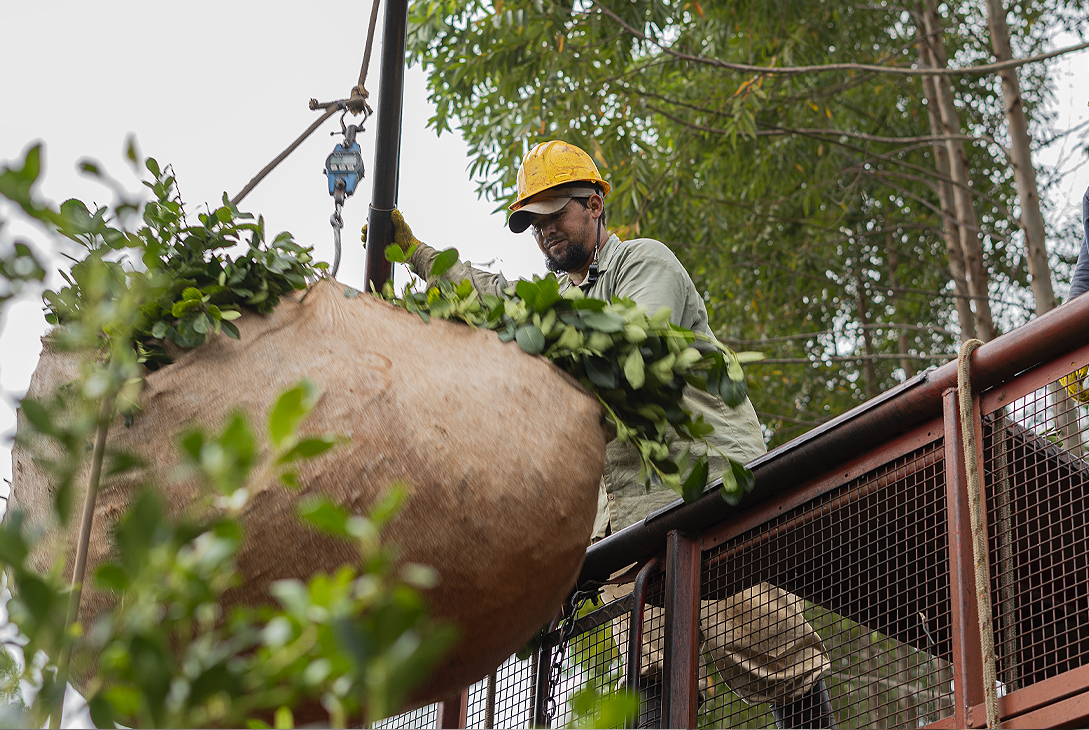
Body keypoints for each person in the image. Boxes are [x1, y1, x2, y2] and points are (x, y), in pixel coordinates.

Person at [377, 140, 835, 728]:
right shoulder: (559, 303)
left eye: (554, 214)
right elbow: (505, 300)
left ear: (594, 205)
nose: (543, 231)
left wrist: (523, 330)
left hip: (706, 501)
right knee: (652, 676)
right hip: (629, 526)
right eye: (531, 223)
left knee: (779, 658)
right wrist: (420, 256)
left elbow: (630, 349)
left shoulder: (645, 265)